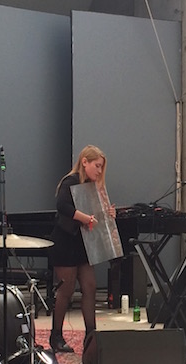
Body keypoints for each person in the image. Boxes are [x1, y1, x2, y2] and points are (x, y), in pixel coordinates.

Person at [49, 145, 115, 352]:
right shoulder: (70, 182)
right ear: (84, 161)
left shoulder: (93, 188)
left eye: (101, 168)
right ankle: (56, 336)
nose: (99, 171)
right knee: (66, 291)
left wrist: (108, 213)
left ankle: (91, 335)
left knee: (90, 286)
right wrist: (85, 218)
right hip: (66, 243)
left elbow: (96, 217)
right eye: (97, 166)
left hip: (83, 245)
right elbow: (62, 206)